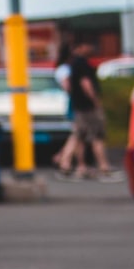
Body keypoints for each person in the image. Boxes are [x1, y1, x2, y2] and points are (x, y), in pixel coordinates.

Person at [64, 38, 122, 182]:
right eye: (89, 45)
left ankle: (81, 167)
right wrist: (95, 101)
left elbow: (68, 84)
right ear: (82, 46)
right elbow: (86, 83)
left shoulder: (73, 64)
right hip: (88, 107)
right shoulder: (82, 63)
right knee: (97, 136)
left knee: (81, 137)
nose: (91, 48)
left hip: (78, 106)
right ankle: (103, 166)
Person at [51, 42, 83, 174]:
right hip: (74, 102)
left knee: (78, 133)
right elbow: (67, 86)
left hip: (71, 102)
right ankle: (65, 160)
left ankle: (63, 158)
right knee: (77, 133)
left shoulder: (61, 68)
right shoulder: (65, 69)